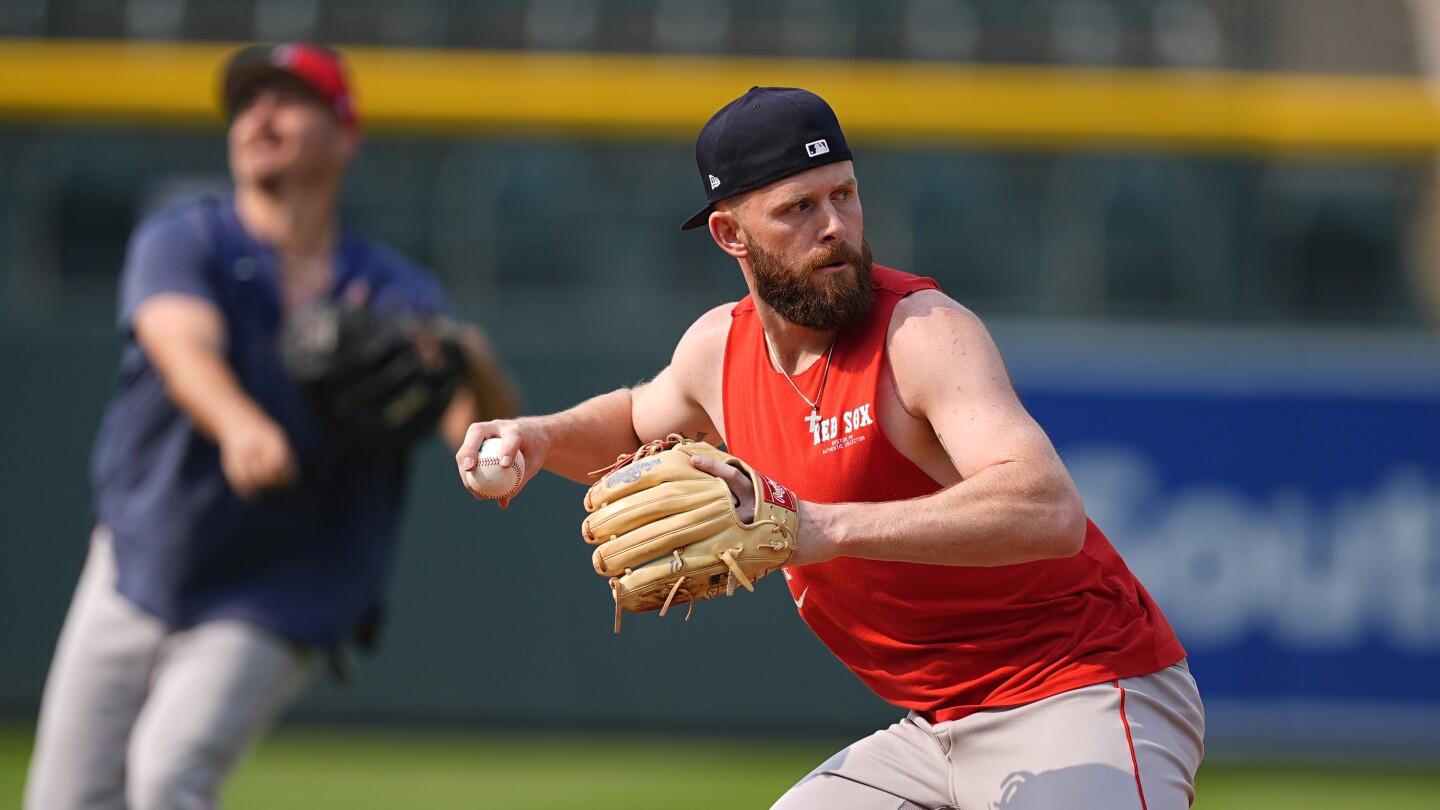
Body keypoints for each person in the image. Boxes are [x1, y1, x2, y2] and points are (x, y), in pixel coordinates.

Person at [457, 86, 1202, 808]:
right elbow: (631, 425)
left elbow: (1047, 509)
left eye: (844, 193)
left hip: (1083, 691)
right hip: (934, 732)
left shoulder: (923, 333)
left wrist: (817, 526)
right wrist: (538, 435)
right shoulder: (719, 351)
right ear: (730, 234)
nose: (835, 225)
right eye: (798, 208)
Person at [25, 43, 518, 810]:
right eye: (248, 101)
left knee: (167, 774)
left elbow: (477, 431)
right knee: (65, 799)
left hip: (285, 585)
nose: (260, 115)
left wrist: (472, 357)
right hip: (142, 554)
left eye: (289, 99)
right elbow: (176, 341)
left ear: (345, 133)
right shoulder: (186, 238)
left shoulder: (393, 291)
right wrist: (238, 423)